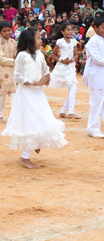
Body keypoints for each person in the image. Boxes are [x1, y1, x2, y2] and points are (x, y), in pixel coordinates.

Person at [1, 28, 67, 169]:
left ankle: (35, 143)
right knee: (30, 122)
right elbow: (17, 77)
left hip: (38, 94)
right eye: (38, 38)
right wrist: (36, 82)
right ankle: (25, 157)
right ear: (29, 41)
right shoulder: (21, 56)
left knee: (41, 118)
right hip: (26, 94)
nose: (40, 41)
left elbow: (46, 70)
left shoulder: (39, 54)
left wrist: (47, 78)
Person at [49, 22, 80, 119]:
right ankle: (70, 111)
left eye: (71, 30)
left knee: (73, 87)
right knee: (73, 87)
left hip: (70, 65)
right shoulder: (60, 41)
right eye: (68, 30)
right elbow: (52, 55)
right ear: (63, 31)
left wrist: (72, 60)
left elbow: (76, 54)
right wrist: (62, 60)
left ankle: (64, 111)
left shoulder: (74, 41)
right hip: (62, 66)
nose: (70, 32)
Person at [0, 21, 17, 123]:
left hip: (12, 71)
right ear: (0, 32)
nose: (7, 33)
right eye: (4, 31)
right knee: (1, 95)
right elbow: (1, 59)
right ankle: (0, 115)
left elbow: (16, 54)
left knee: (14, 93)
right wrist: (15, 61)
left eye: (9, 30)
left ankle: (16, 115)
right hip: (2, 71)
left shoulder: (13, 42)